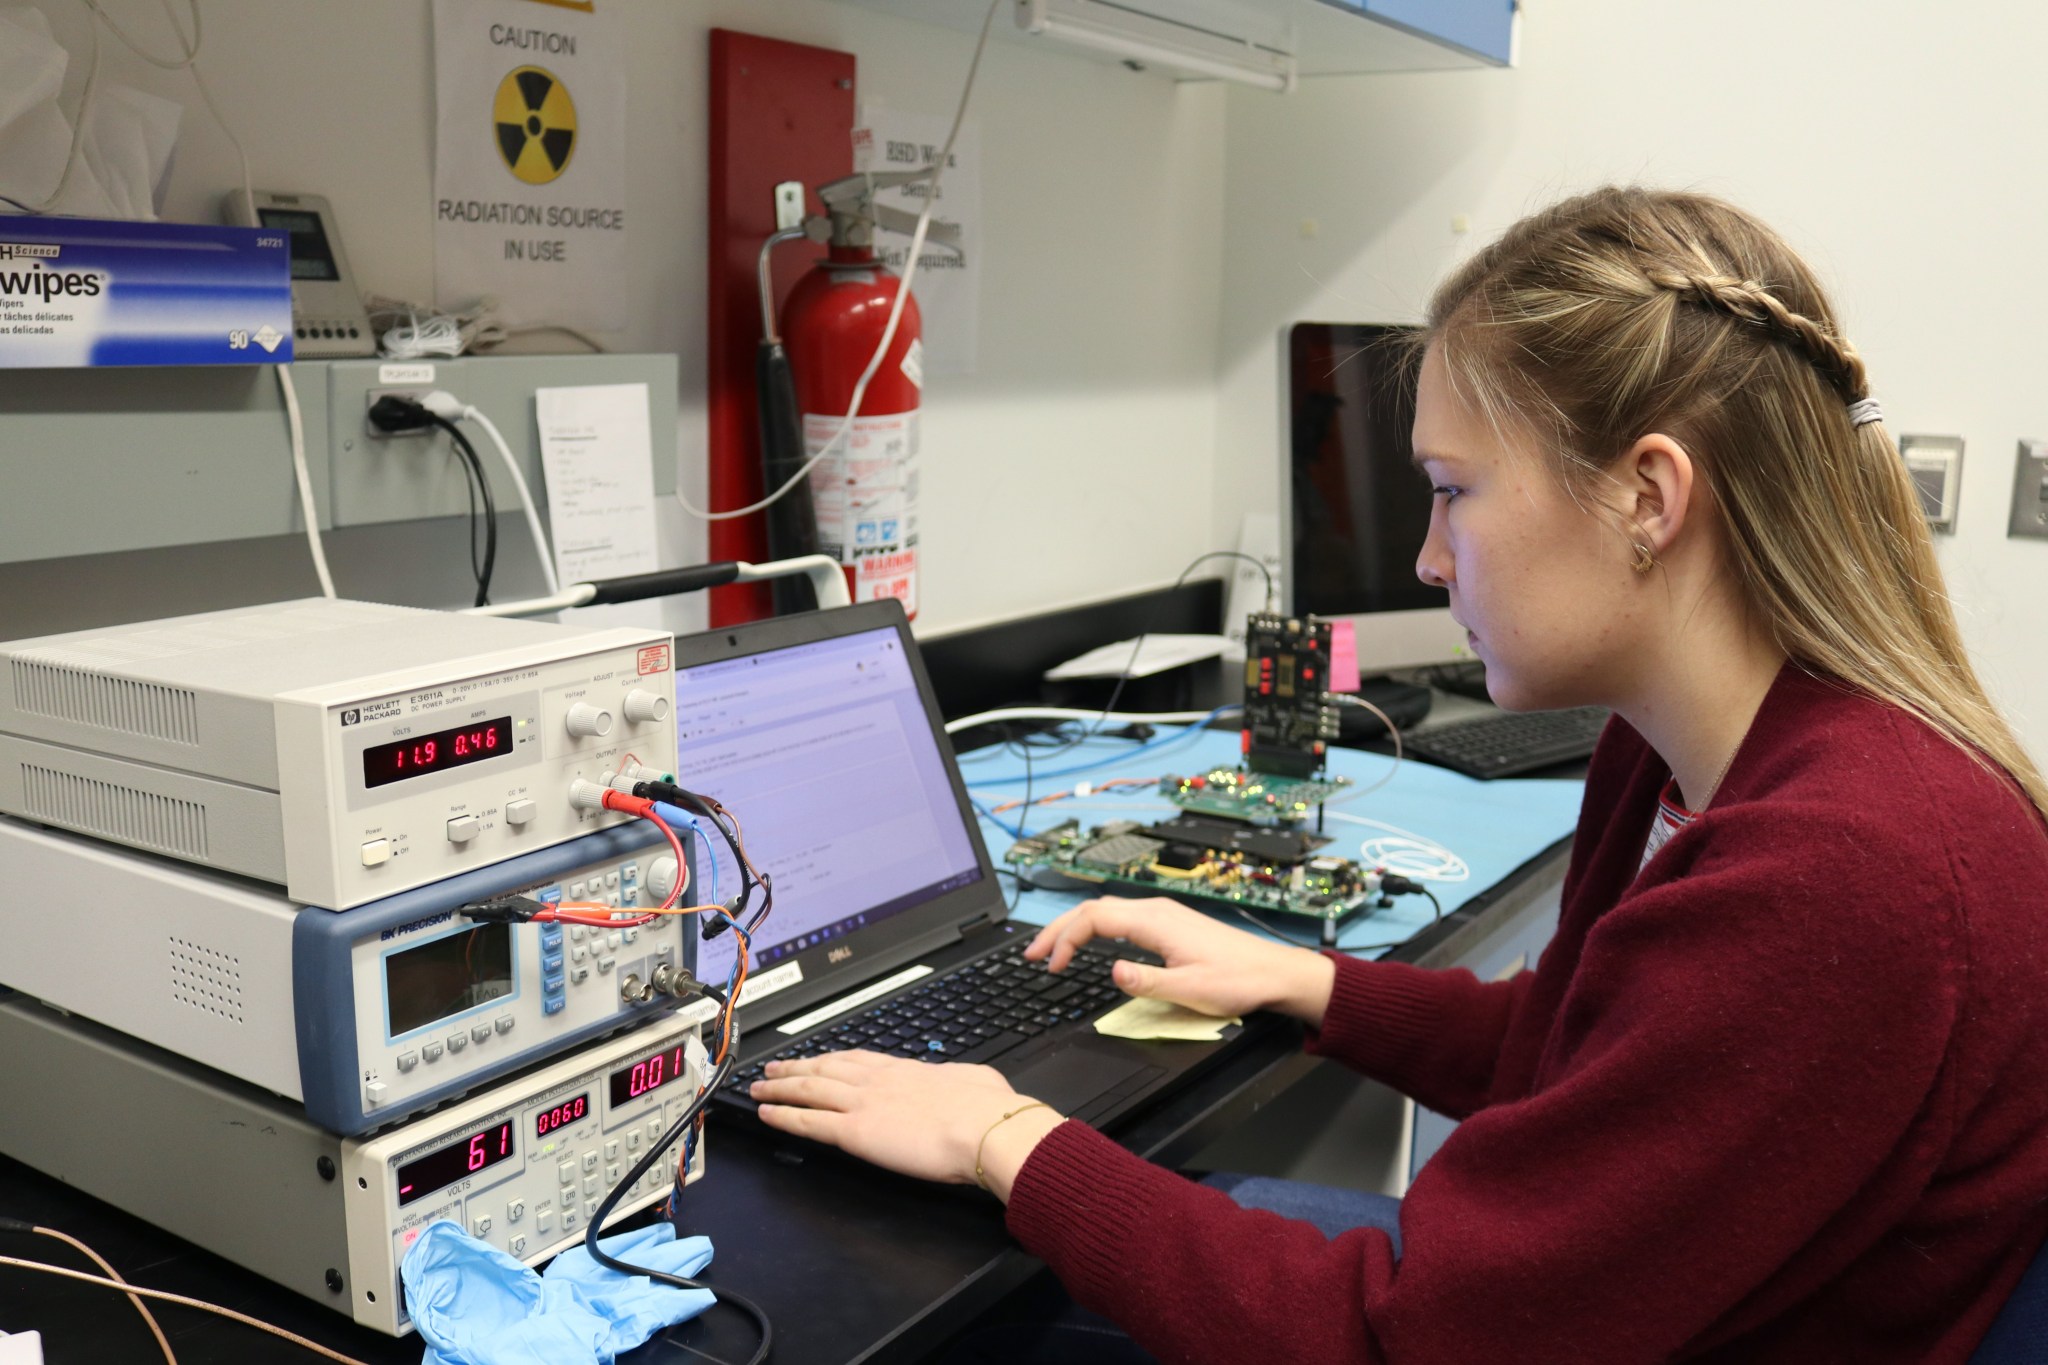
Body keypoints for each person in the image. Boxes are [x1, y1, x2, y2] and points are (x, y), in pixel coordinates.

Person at [748, 186, 2048, 1363]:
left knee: (970, 1308)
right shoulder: (1683, 748)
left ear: (1648, 497)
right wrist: (1307, 978)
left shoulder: (1842, 876)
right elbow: (1579, 1047)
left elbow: (1399, 1337)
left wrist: (998, 1133)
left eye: (1451, 491)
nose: (1429, 558)